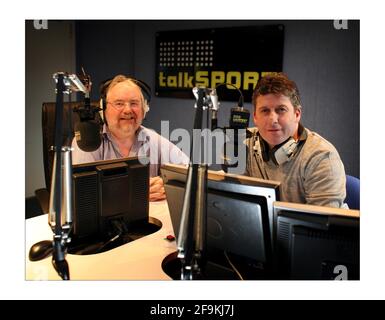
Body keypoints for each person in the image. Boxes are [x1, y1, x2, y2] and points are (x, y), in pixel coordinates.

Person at [72, 74, 189, 201]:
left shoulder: (154, 140)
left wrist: (166, 184)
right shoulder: (89, 142)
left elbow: (190, 173)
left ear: (144, 109)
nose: (128, 110)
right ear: (103, 110)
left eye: (134, 103)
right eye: (119, 103)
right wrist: (136, 192)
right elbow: (84, 192)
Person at [244, 73, 346, 208]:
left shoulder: (322, 157)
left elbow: (322, 225)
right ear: (255, 116)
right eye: (265, 111)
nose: (273, 119)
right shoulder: (243, 145)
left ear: (297, 114)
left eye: (281, 110)